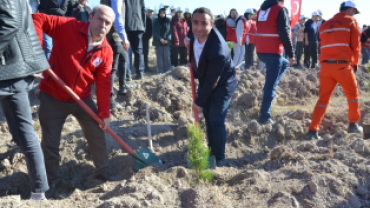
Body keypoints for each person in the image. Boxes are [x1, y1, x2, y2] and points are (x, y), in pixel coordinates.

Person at [32, 5, 115, 198]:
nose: (102, 25)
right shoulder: (68, 26)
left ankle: (101, 172)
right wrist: (36, 51)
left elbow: (103, 84)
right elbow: (36, 18)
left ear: (111, 27)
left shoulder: (106, 51)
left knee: (97, 131)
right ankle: (50, 182)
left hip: (82, 99)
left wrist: (104, 113)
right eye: (100, 19)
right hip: (52, 94)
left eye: (107, 23)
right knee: (50, 141)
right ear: (91, 16)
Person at [0, 0, 49, 200]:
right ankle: (39, 191)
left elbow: (10, 23)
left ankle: (39, 193)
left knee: (25, 133)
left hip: (10, 69)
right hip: (13, 69)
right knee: (22, 133)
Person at [188, 7, 237, 167]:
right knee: (208, 116)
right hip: (207, 80)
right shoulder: (195, 34)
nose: (199, 27)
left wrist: (200, 102)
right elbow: (190, 36)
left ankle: (219, 157)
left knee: (216, 118)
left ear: (212, 24)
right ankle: (211, 150)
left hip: (222, 85)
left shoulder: (218, 50)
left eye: (204, 23)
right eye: (195, 23)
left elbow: (212, 81)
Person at [307, 1, 362, 140]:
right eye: (354, 12)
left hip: (325, 67)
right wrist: (355, 63)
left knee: (323, 99)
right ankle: (353, 124)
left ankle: (313, 131)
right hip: (342, 66)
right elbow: (356, 46)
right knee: (352, 94)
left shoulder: (325, 24)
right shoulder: (351, 21)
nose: (354, 14)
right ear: (350, 10)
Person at [255, 0, 295, 124]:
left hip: (260, 50)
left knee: (284, 63)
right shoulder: (280, 9)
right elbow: (284, 32)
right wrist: (291, 54)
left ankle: (267, 90)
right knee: (270, 85)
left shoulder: (261, 10)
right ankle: (265, 117)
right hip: (273, 51)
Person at [101, 0, 130, 109]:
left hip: (110, 35)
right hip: (114, 36)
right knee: (112, 69)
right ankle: (109, 101)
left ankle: (123, 87)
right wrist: (124, 37)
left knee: (124, 57)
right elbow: (117, 16)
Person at [125, 0, 146, 79]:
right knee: (138, 50)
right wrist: (143, 26)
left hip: (126, 25)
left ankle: (127, 74)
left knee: (125, 50)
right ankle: (140, 72)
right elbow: (143, 10)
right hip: (138, 26)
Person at [153, 7, 172, 73]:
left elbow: (170, 32)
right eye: (160, 13)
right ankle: (161, 71)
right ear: (159, 13)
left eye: (163, 13)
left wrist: (168, 39)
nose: (162, 14)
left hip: (166, 42)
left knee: (167, 57)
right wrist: (160, 39)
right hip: (158, 42)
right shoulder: (156, 21)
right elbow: (154, 31)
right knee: (160, 58)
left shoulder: (168, 21)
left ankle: (168, 70)